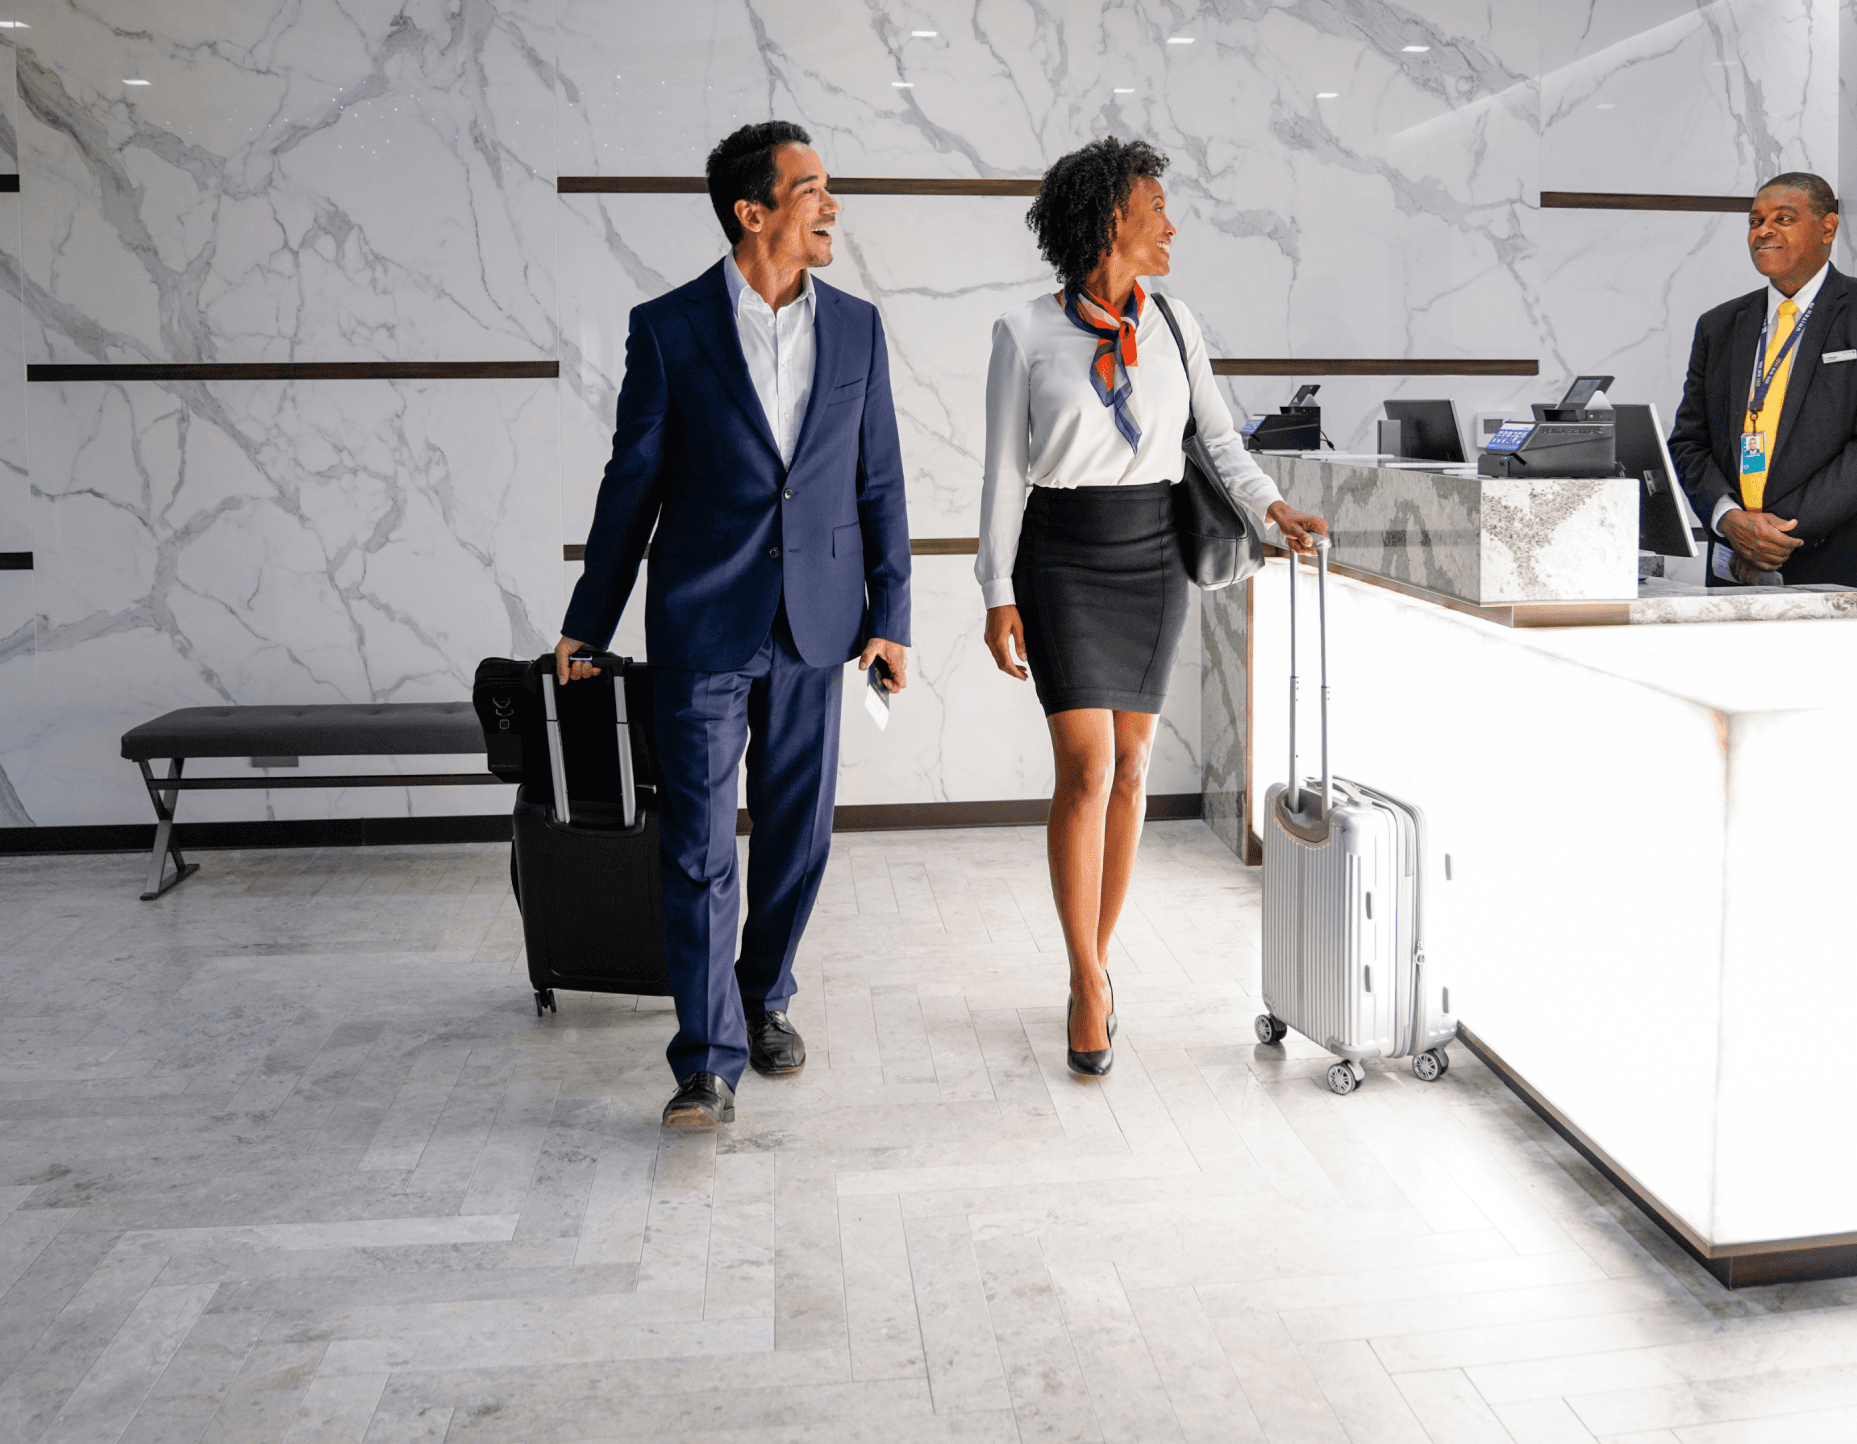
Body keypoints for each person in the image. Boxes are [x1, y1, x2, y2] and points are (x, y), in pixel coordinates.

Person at [557, 121, 912, 1129]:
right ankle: (704, 1060)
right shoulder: (666, 328)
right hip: (701, 621)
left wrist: (890, 615)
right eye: (811, 187)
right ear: (751, 211)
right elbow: (630, 489)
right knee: (699, 849)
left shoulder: (858, 329)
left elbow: (876, 482)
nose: (830, 204)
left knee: (797, 839)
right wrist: (587, 624)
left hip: (819, 624)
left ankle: (764, 996)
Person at [978, 138, 1329, 1078]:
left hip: (1152, 556)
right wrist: (995, 591)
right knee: (1087, 767)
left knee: (1132, 767)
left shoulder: (1175, 320)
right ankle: (1087, 981)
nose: (1171, 224)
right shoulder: (1024, 333)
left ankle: (1094, 959)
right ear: (1108, 222)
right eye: (1156, 208)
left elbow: (1217, 438)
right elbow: (1003, 477)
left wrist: (1272, 507)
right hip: (1060, 557)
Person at [1667, 172, 1857, 620]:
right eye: (1755, 221)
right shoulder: (1720, 325)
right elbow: (1690, 442)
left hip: (1844, 568)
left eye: (1783, 218)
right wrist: (1730, 520)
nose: (1763, 230)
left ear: (1827, 228)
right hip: (1735, 573)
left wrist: (1769, 535)